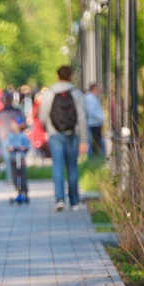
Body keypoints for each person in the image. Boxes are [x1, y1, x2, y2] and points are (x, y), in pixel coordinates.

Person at [39, 65, 88, 212]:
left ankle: (59, 199)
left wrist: (48, 127)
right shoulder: (76, 93)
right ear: (71, 76)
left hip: (55, 134)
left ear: (57, 76)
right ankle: (74, 201)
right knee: (72, 167)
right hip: (72, 134)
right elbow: (82, 117)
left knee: (57, 166)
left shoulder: (49, 93)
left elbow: (42, 115)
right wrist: (84, 139)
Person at [0, 92, 25, 184]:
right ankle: (18, 177)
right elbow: (23, 123)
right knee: (17, 158)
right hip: (16, 136)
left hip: (4, 136)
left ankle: (10, 178)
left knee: (7, 158)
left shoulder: (0, 112)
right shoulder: (17, 112)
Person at [4, 116, 31, 201]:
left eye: (13, 124)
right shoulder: (11, 136)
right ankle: (18, 190)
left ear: (19, 126)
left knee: (22, 176)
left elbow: (28, 145)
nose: (11, 126)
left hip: (21, 158)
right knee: (15, 176)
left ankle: (25, 191)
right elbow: (7, 144)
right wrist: (9, 147)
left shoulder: (23, 136)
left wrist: (24, 148)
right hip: (14, 158)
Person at [83, 83, 105, 157]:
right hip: (93, 124)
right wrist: (101, 118)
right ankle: (94, 157)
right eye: (98, 89)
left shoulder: (90, 98)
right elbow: (91, 111)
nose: (99, 91)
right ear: (94, 89)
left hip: (94, 123)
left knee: (96, 142)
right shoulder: (90, 98)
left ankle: (95, 156)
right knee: (95, 142)